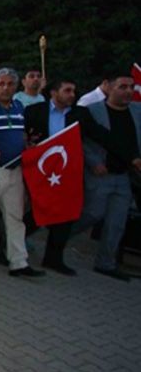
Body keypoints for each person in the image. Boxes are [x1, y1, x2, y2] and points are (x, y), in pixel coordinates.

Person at [72, 71, 141, 281]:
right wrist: (94, 162)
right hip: (100, 173)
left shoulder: (137, 112)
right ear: (108, 87)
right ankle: (59, 235)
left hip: (124, 175)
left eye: (131, 87)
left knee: (117, 221)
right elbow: (80, 140)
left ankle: (106, 263)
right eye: (123, 87)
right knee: (93, 213)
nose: (128, 91)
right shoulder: (92, 111)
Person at [0, 67, 45, 278]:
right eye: (1, 84)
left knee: (15, 218)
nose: (5, 88)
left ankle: (18, 262)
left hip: (14, 170)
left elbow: (20, 134)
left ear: (16, 87)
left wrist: (26, 144)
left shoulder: (18, 106)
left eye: (9, 84)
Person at [24, 79, 80, 275]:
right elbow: (23, 135)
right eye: (67, 90)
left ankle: (54, 258)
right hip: (41, 170)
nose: (72, 94)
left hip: (65, 174)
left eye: (73, 90)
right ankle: (15, 237)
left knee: (65, 214)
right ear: (54, 93)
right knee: (41, 208)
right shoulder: (34, 111)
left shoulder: (79, 114)